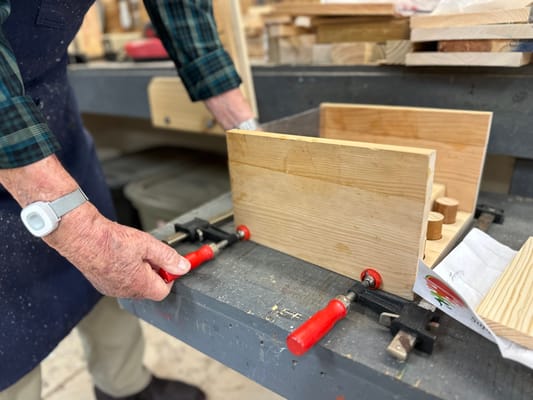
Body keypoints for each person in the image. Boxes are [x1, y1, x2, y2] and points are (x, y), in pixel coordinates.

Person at [0, 1, 257, 399]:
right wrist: (74, 226)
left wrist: (246, 128)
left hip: (48, 97)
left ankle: (125, 385)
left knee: (105, 272)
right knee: (9, 333)